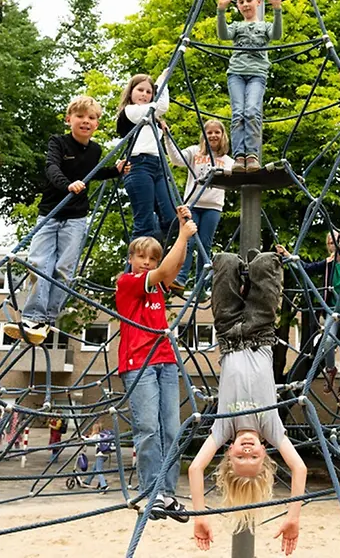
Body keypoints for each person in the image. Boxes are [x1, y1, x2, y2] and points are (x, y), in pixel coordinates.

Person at [189, 251, 307, 555]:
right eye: (252, 459)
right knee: (266, 264)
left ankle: (241, 275)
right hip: (261, 332)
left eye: (239, 459)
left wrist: (199, 517)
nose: (246, 453)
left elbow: (195, 469)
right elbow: (299, 468)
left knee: (225, 262)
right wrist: (293, 518)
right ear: (263, 453)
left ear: (228, 453)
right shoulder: (271, 429)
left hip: (228, 334)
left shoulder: (222, 429)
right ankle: (252, 272)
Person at [5, 95, 129, 344]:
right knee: (40, 263)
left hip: (75, 218)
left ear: (97, 124)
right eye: (80, 116)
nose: (86, 121)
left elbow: (90, 174)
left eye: (91, 118)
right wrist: (67, 185)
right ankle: (33, 317)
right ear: (68, 119)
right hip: (50, 213)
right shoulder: (58, 143)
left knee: (64, 269)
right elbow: (52, 168)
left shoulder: (95, 150)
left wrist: (114, 171)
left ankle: (47, 319)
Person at [117, 205, 197, 522]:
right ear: (131, 259)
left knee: (173, 430)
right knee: (148, 428)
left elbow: (172, 269)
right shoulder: (127, 282)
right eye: (142, 257)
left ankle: (167, 493)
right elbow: (164, 271)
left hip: (164, 360)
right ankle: (151, 493)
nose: (147, 262)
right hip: (139, 361)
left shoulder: (159, 284)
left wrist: (183, 235)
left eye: (151, 258)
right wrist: (182, 233)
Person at [276, 230, 340, 409]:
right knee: (327, 343)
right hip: (331, 311)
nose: (334, 246)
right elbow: (306, 268)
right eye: (331, 243)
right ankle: (331, 369)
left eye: (338, 242)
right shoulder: (328, 264)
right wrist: (287, 255)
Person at [216, 0, 283, 172]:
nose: (245, 4)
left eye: (249, 0)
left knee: (252, 111)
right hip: (236, 73)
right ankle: (239, 156)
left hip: (257, 74)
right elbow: (223, 35)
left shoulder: (265, 26)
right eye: (241, 2)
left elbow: (276, 35)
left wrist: (277, 9)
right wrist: (221, 10)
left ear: (259, 1)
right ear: (237, 5)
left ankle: (251, 155)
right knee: (238, 112)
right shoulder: (237, 26)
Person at [163, 119, 233, 294]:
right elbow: (176, 159)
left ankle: (202, 283)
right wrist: (167, 136)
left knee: (205, 244)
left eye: (217, 132)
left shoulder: (227, 160)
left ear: (223, 135)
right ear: (204, 135)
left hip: (213, 206)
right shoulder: (195, 152)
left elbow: (234, 180)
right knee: (189, 240)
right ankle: (180, 277)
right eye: (209, 132)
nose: (213, 135)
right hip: (193, 204)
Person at [117, 69, 178, 246]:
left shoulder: (153, 117)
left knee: (171, 219)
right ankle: (135, 270)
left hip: (158, 166)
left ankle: (155, 250)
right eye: (140, 90)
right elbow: (162, 106)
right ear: (131, 92)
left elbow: (157, 111)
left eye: (149, 91)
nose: (144, 94)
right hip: (138, 165)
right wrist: (162, 82)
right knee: (144, 225)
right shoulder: (130, 111)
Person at [82, 421, 115, 490]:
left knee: (99, 470)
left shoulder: (97, 436)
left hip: (100, 455)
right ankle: (87, 481)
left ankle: (104, 485)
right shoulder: (103, 435)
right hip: (106, 454)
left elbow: (89, 440)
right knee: (94, 468)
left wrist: (83, 438)